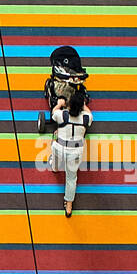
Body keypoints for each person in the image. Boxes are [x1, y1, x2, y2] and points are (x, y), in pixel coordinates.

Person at [51, 89, 92, 218]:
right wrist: (84, 105)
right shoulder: (86, 118)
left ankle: (55, 167)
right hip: (75, 153)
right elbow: (90, 114)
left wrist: (59, 104)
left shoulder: (62, 115)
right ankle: (68, 205)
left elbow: (53, 113)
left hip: (59, 148)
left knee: (55, 153)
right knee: (71, 178)